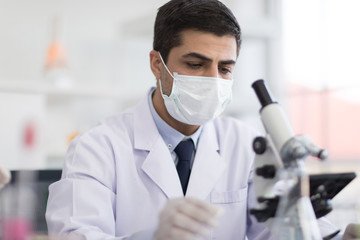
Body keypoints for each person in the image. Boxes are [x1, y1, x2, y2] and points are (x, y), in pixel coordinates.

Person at [46, 0, 359, 239]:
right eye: (196, 64)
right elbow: (75, 234)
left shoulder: (246, 144)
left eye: (224, 69)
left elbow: (280, 228)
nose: (213, 79)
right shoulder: (97, 148)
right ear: (157, 64)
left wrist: (339, 236)